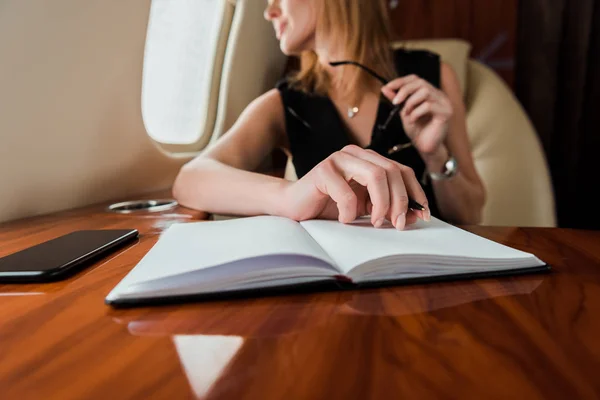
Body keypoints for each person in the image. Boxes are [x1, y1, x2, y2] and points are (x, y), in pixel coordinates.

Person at [173, 0, 486, 230]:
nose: (269, 12)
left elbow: (471, 216)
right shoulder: (284, 103)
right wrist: (289, 196)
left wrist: (435, 155)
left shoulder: (434, 77)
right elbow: (191, 178)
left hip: (430, 274)